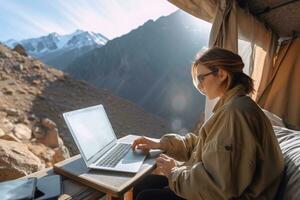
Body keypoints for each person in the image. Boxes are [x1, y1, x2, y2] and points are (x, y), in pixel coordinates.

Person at [131, 47, 284, 200]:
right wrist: (161, 144)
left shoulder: (236, 113)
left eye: (201, 78)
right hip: (215, 189)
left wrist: (174, 172)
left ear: (222, 74)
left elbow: (219, 187)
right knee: (142, 183)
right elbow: (201, 146)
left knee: (146, 197)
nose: (199, 86)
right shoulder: (233, 106)